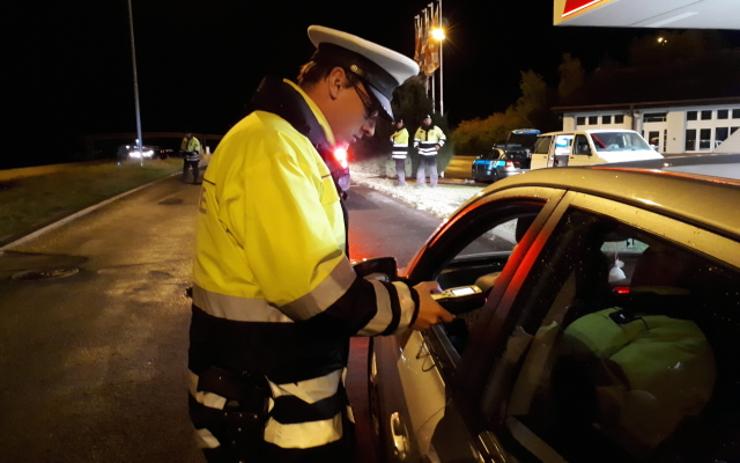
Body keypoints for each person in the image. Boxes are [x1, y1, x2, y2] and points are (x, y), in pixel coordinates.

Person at [187, 25, 454, 462]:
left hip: (271, 395)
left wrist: (368, 283)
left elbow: (301, 264)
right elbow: (312, 291)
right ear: (336, 82)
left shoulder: (285, 143)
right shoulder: (273, 148)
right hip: (269, 411)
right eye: (372, 112)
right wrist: (406, 307)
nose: (370, 130)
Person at [414, 114, 446, 187]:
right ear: (424, 121)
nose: (428, 121)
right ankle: (420, 184)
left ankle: (434, 185)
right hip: (422, 152)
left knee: (433, 169)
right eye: (426, 120)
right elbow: (416, 139)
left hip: (432, 152)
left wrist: (439, 145)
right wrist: (416, 146)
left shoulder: (436, 128)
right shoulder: (420, 129)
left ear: (431, 120)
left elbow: (443, 137)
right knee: (421, 169)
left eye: (429, 120)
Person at [390, 118, 409, 185]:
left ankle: (401, 182)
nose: (398, 124)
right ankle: (401, 181)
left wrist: (392, 139)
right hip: (398, 153)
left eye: (399, 123)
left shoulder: (404, 132)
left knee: (400, 168)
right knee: (399, 167)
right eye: (397, 123)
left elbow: (396, 141)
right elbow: (393, 136)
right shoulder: (398, 131)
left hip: (401, 154)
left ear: (402, 123)